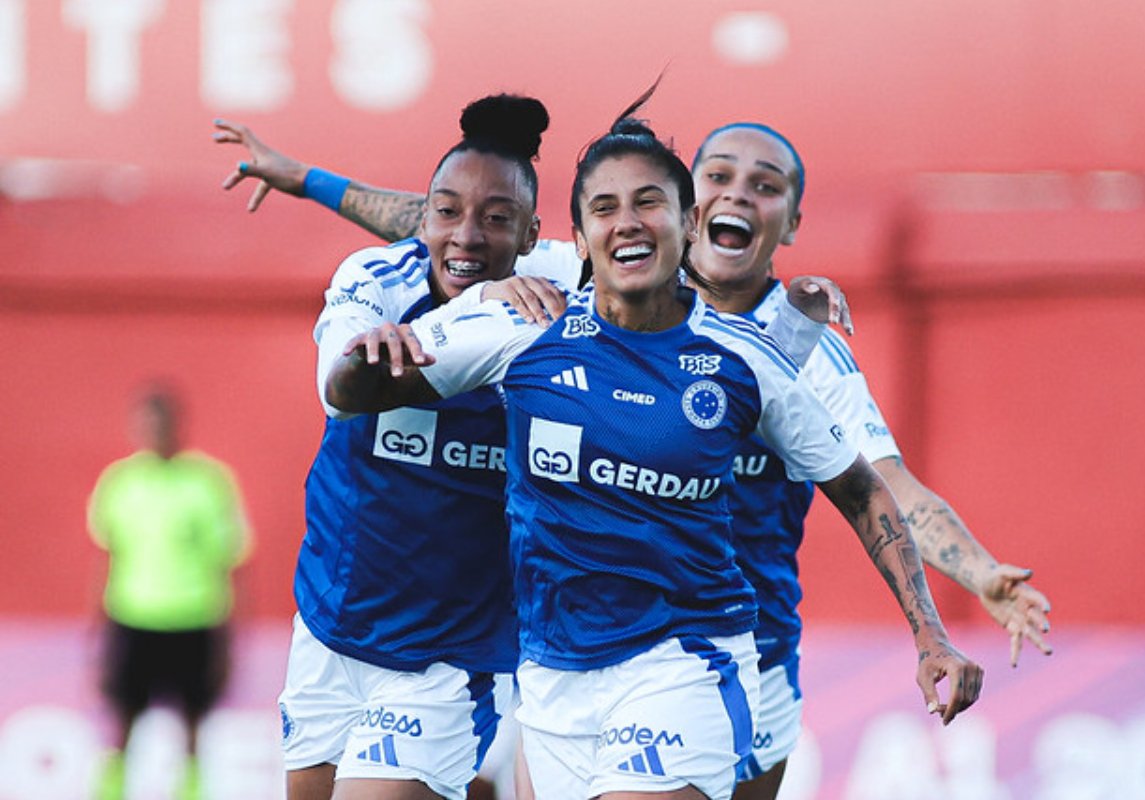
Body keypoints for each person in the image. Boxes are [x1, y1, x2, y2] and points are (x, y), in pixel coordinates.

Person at [215, 113, 1052, 800]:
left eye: (763, 186)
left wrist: (959, 599)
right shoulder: (536, 310)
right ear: (575, 237)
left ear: (700, 221)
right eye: (720, 174)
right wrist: (354, 305)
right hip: (553, 667)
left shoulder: (779, 356)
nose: (735, 195)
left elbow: (877, 488)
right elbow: (456, 226)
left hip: (710, 653)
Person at [276, 93, 586, 800]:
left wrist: (790, 318)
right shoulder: (373, 280)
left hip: (450, 657)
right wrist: (466, 313)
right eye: (447, 212)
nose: (468, 237)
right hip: (332, 624)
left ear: (534, 236)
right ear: (423, 219)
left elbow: (670, 264)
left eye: (498, 219)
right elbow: (338, 391)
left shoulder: (563, 295)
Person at [87, 382, 252, 800]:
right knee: (122, 723)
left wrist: (231, 640)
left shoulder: (208, 482)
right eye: (144, 423)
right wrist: (97, 634)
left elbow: (231, 562)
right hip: (133, 616)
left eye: (159, 423)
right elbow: (107, 556)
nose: (152, 432)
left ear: (177, 425)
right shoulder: (120, 482)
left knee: (193, 726)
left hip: (193, 619)